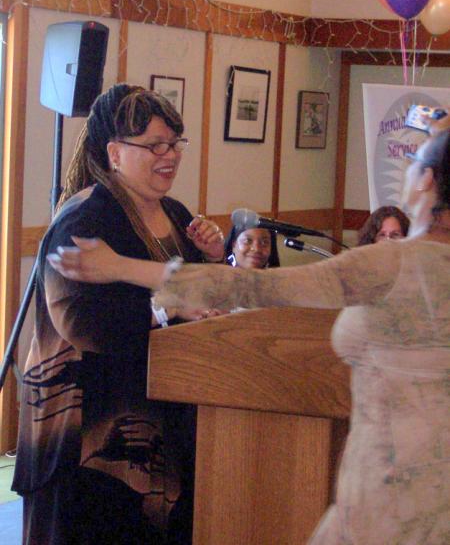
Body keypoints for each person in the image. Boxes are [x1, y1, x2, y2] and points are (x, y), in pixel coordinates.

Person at [48, 127, 450, 544]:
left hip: (390, 485)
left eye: (413, 163)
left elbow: (256, 287)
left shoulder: (390, 263)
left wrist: (121, 267)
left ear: (426, 179)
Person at [12, 83, 225, 545]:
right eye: (154, 145)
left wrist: (212, 258)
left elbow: (197, 298)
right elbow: (79, 318)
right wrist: (166, 309)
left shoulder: (176, 213)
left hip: (165, 422)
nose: (170, 156)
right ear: (115, 153)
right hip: (90, 435)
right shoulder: (84, 218)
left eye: (175, 143)